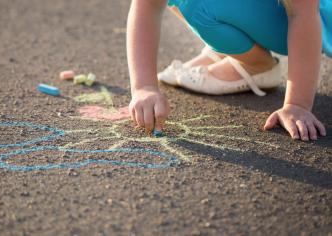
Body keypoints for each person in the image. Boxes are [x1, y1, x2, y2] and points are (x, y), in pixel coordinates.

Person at [127, 0, 331, 141]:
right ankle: (237, 53)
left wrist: (297, 105)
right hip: (285, 16)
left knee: (197, 4)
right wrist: (144, 87)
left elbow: (303, 13)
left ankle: (254, 65)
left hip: (321, 19)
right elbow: (147, 5)